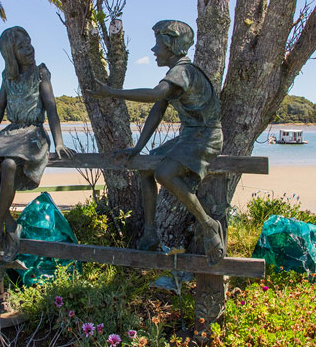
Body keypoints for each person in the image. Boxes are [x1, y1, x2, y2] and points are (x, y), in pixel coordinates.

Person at [89, 20, 225, 266]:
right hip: (190, 135)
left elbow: (154, 95)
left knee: (163, 173)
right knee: (145, 165)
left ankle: (208, 224)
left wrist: (112, 92)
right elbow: (156, 110)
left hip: (205, 136)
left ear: (171, 45)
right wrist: (138, 149)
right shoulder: (175, 76)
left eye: (158, 44)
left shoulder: (183, 71)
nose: (153, 50)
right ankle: (150, 233)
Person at [0, 26, 75, 266]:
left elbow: (52, 107)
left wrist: (59, 142)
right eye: (22, 47)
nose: (29, 49)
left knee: (9, 165)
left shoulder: (41, 73)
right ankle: (9, 226)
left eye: (29, 43)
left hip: (33, 133)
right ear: (10, 54)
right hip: (11, 132)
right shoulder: (7, 76)